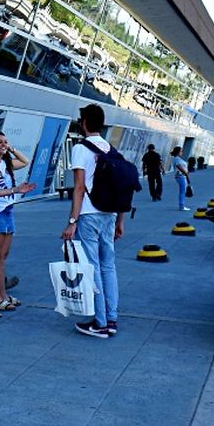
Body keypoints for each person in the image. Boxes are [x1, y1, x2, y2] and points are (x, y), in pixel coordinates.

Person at [63, 104, 123, 338]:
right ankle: (112, 318)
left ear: (85, 122)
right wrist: (120, 220)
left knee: (92, 267)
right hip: (109, 213)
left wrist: (72, 220)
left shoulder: (80, 148)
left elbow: (78, 187)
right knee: (109, 266)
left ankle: (99, 323)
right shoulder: (110, 148)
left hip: (88, 214)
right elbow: (122, 188)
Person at [0, 131, 34, 312]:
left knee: (3, 257)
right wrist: (15, 189)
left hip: (7, 210)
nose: (3, 145)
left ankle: (3, 294)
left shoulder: (6, 164)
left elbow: (25, 161)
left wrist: (10, 148)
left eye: (5, 142)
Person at [171, 146, 191, 211]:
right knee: (182, 192)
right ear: (178, 152)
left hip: (182, 176)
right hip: (180, 176)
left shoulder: (178, 158)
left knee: (182, 191)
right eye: (181, 151)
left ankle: (182, 205)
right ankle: (182, 206)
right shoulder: (177, 159)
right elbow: (179, 167)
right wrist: (185, 173)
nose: (182, 152)